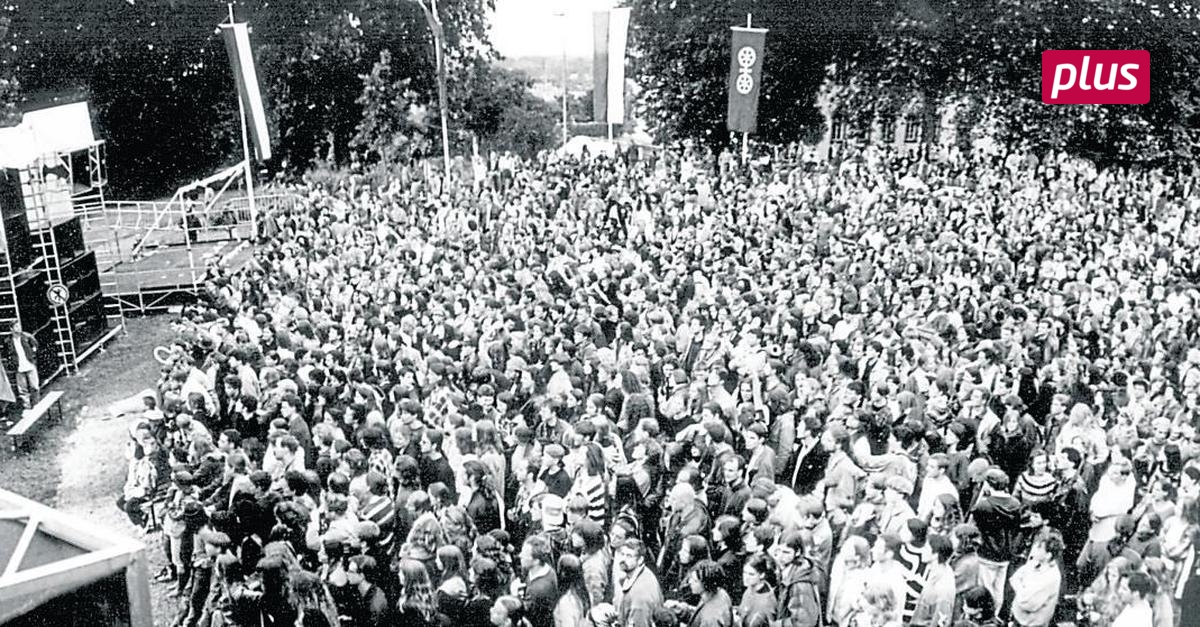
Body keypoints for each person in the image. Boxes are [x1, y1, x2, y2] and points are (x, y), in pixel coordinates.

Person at [1009, 528, 1064, 627]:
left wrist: (1021, 589)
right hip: (1019, 620)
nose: (1034, 549)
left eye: (1039, 547)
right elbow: (1014, 577)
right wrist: (1024, 591)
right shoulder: (1035, 563)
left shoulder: (1050, 577)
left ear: (1048, 555)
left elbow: (1026, 603)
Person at [614, 539, 663, 627]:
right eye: (622, 554)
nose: (623, 559)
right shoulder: (644, 573)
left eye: (629, 556)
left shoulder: (639, 597)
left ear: (640, 560)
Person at [519, 534, 560, 627]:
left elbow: (526, 614)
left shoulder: (538, 589)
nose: (520, 556)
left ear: (536, 561)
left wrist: (515, 595)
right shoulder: (547, 568)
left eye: (524, 555)